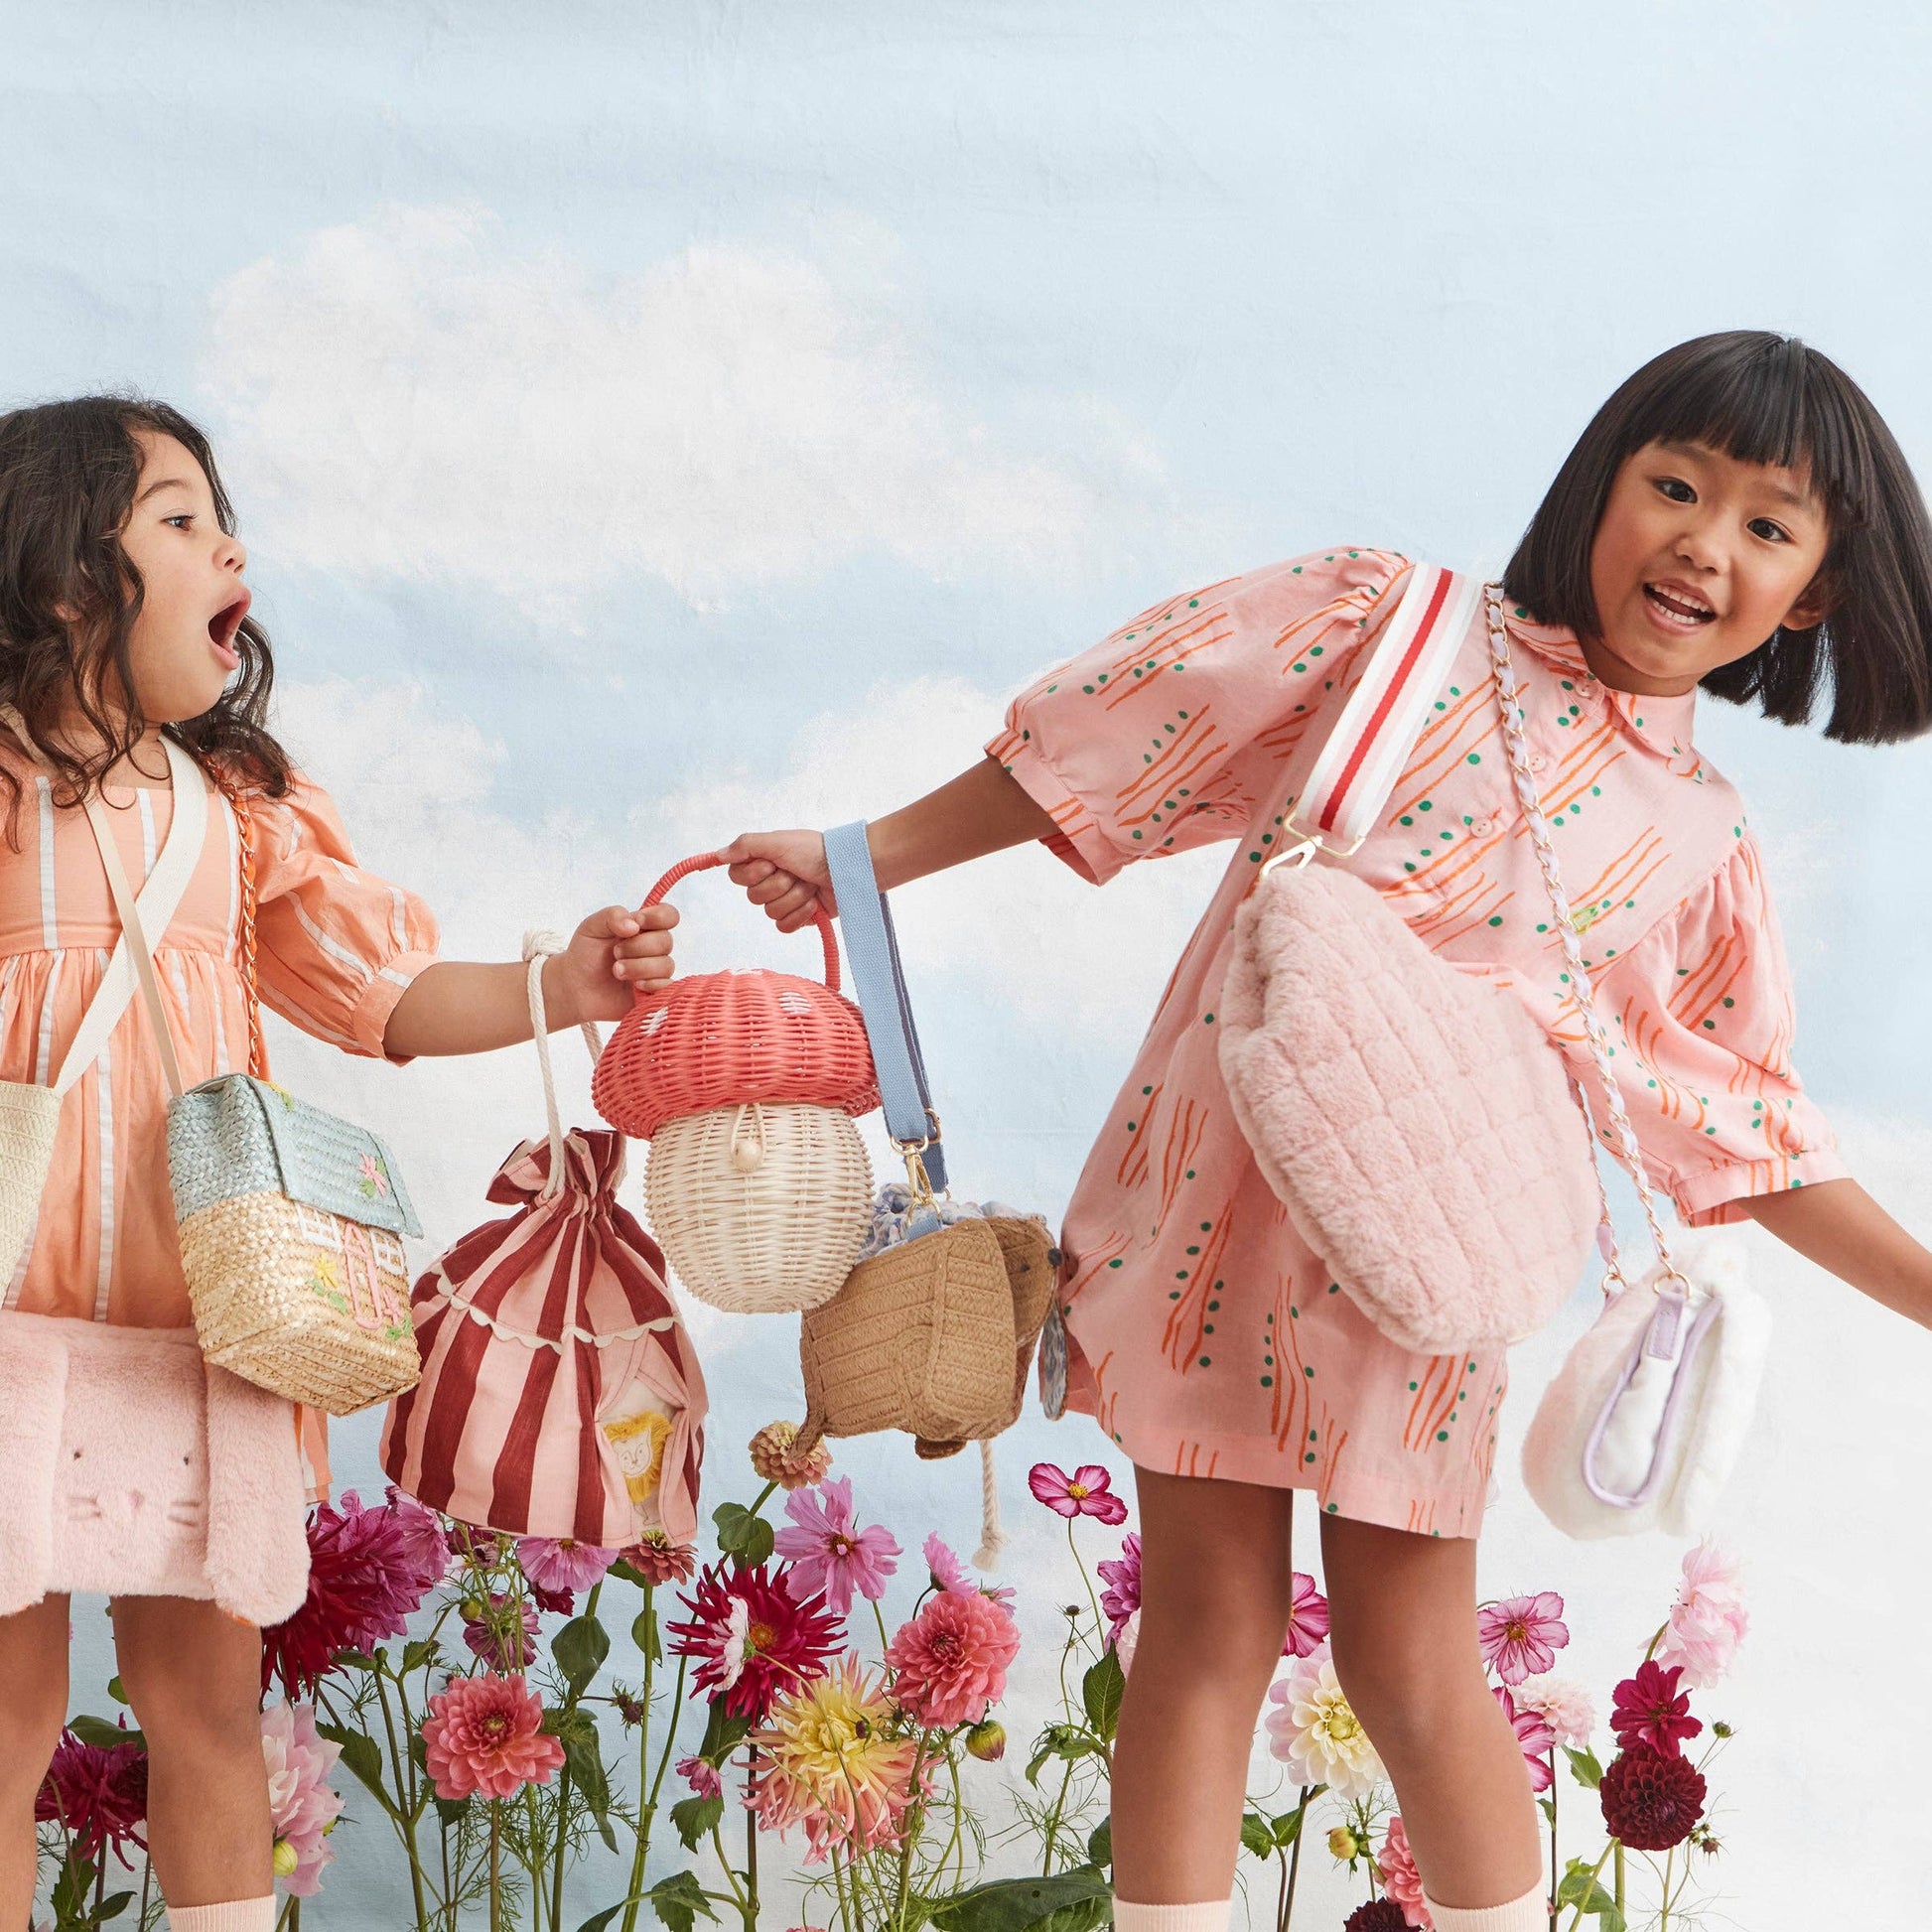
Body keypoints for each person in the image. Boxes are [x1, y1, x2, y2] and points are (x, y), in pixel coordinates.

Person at [689, 333, 1932, 1932]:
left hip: (1424, 1264)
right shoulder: (1392, 630)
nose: (1704, 540)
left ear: (1815, 596)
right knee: (1204, 1619)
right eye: (1674, 485)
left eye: (1768, 525)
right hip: (1213, 1198)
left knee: (1409, 1652)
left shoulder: (1698, 842)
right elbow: (1121, 733)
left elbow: (1740, 1121)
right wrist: (865, 855)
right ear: (1599, 484)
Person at [0, 396, 678, 1932]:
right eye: (179, 518)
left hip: (205, 1327)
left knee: (206, 1709)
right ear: (56, 577)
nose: (229, 544)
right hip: (5, 1325)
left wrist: (559, 985)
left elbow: (382, 1001)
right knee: (2, 1717)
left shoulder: (238, 815)